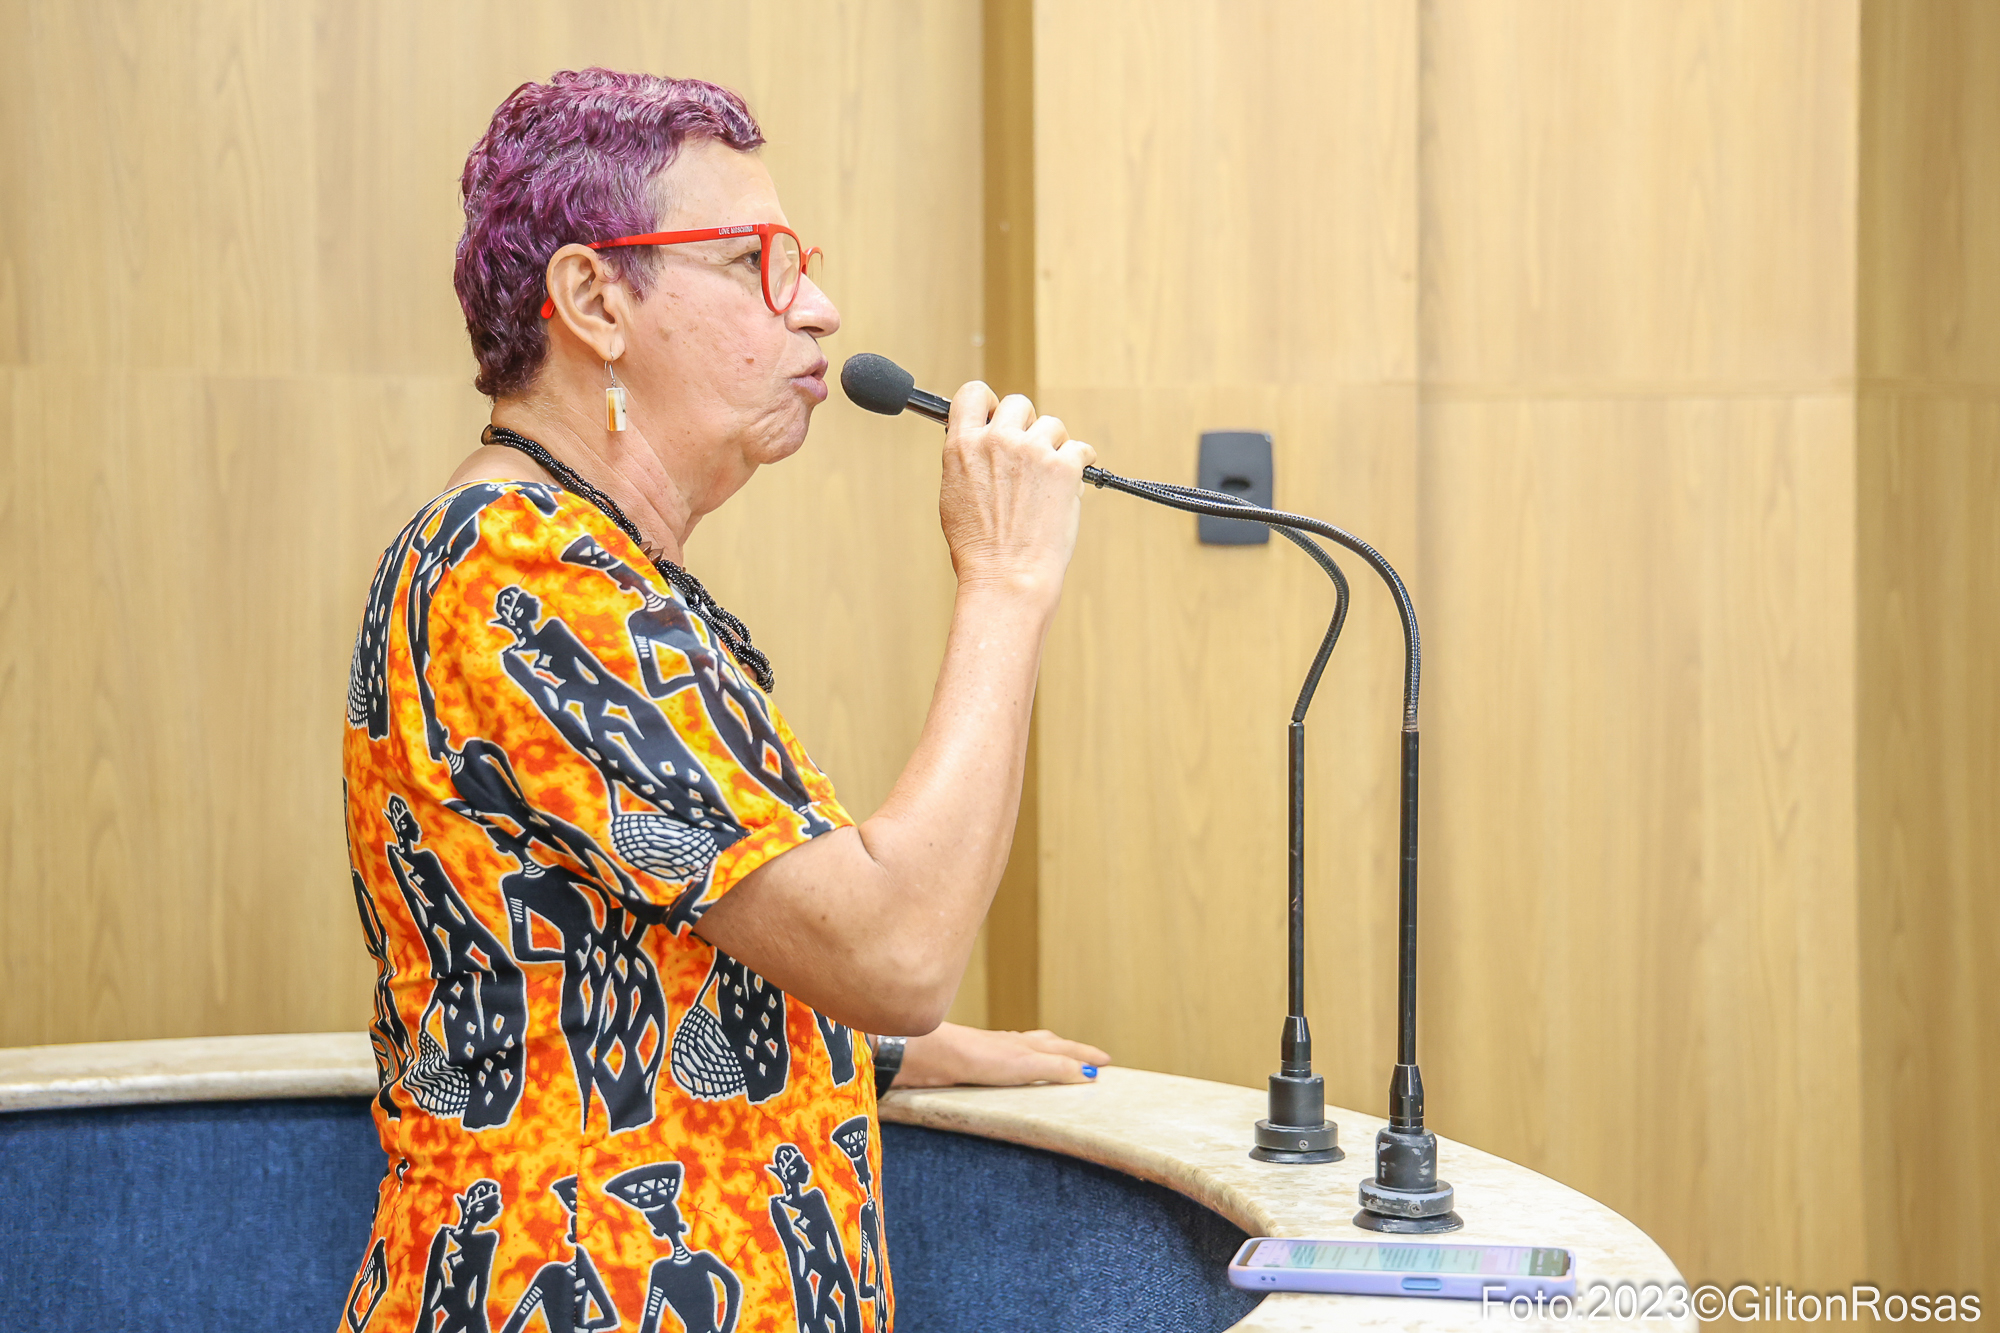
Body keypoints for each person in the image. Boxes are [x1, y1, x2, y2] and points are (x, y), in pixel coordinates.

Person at [339, 69, 1105, 1332]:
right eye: (755, 263)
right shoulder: (524, 568)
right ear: (596, 300)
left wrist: (872, 1047)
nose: (818, 308)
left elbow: (631, 943)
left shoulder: (579, 557)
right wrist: (1006, 583)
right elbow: (897, 951)